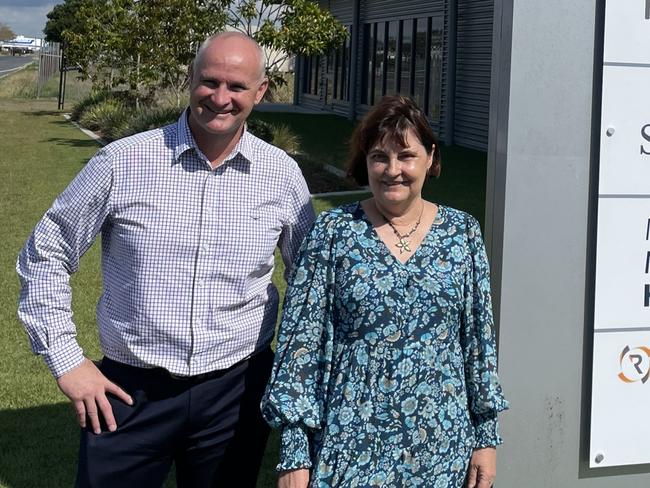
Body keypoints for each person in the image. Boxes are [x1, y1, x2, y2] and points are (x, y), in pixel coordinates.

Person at [16, 32, 315, 487]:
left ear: (261, 91)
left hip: (236, 391)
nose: (220, 98)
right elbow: (46, 252)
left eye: (236, 87)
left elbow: (309, 279)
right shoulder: (124, 162)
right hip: (128, 392)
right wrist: (67, 361)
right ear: (190, 78)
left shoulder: (282, 175)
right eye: (209, 81)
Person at [261, 95, 508, 488]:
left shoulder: (462, 233)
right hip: (350, 441)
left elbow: (478, 343)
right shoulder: (334, 233)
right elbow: (300, 345)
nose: (393, 170)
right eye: (379, 157)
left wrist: (485, 438)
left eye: (406, 156)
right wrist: (294, 452)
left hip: (442, 444)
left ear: (430, 157)